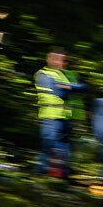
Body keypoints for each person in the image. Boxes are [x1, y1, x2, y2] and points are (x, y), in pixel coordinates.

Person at [34, 48, 86, 178]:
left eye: (64, 60)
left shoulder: (66, 74)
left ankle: (59, 174)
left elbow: (83, 87)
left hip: (65, 116)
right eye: (58, 60)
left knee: (63, 147)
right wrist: (70, 88)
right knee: (49, 146)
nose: (62, 63)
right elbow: (61, 93)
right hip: (50, 116)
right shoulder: (43, 74)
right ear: (50, 59)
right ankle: (41, 172)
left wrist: (69, 87)